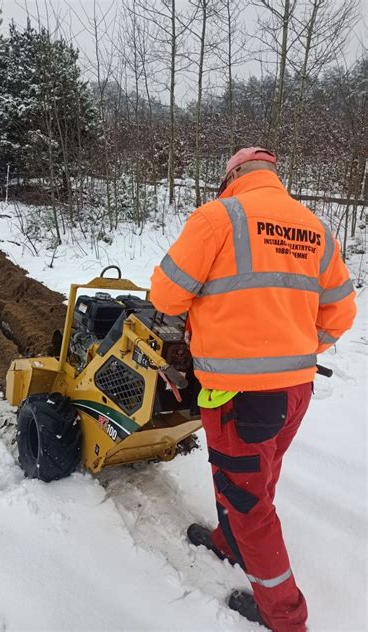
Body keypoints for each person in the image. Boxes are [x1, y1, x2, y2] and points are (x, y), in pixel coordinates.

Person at [150, 147, 357, 631]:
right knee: (258, 478)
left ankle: (284, 616)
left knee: (248, 501)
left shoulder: (218, 216)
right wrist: (298, 350)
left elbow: (165, 294)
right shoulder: (315, 227)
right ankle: (230, 541)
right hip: (295, 391)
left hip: (238, 395)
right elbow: (343, 315)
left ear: (234, 175)